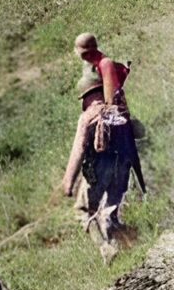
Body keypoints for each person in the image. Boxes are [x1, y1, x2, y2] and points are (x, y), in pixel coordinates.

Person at [61, 33, 144, 263]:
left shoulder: (88, 116)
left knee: (82, 210)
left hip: (98, 169)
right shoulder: (117, 111)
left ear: (86, 96)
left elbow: (78, 150)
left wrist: (68, 182)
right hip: (123, 164)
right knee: (110, 210)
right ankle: (130, 247)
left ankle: (107, 249)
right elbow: (140, 132)